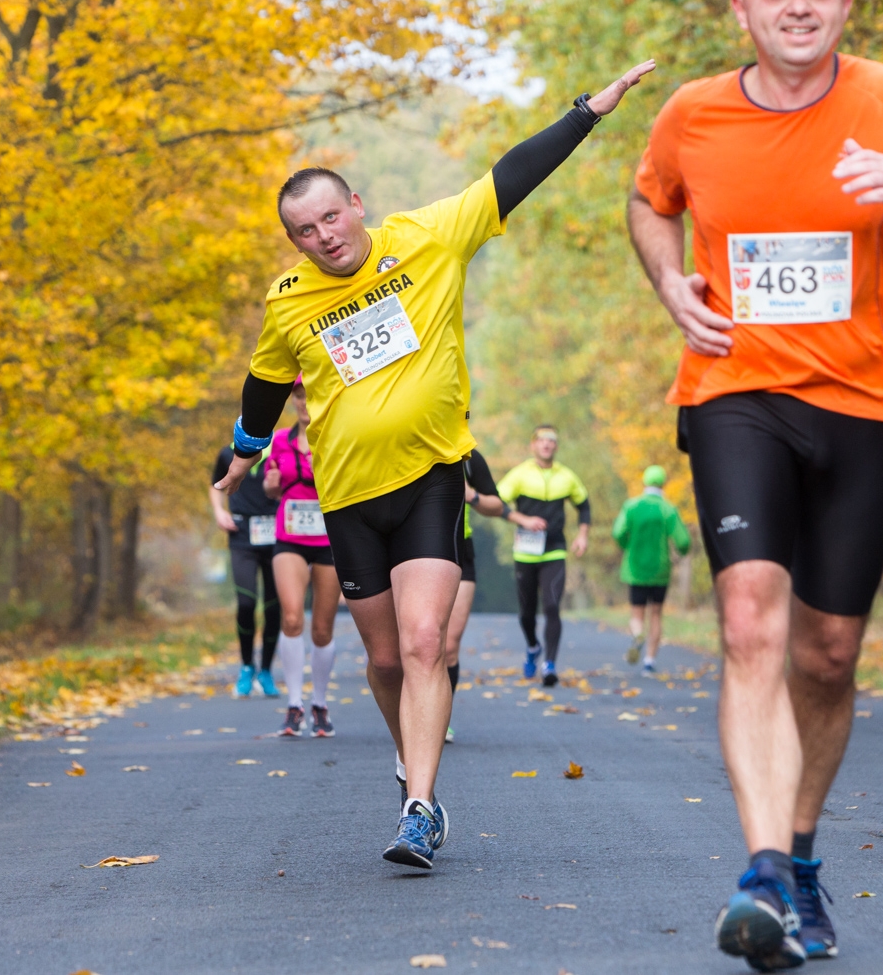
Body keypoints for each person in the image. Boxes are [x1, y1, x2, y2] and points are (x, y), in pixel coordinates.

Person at [626, 0, 883, 970]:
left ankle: (800, 852)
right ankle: (759, 872)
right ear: (739, 7)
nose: (796, 5)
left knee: (827, 657)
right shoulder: (690, 111)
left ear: (843, 4)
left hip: (862, 404)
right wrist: (668, 281)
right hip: (735, 389)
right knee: (750, 621)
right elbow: (649, 204)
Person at [214, 59, 655, 870]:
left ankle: (420, 807)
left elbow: (510, 176)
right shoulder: (290, 300)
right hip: (347, 496)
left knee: (423, 641)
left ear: (356, 205)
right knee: (384, 659)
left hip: (430, 476)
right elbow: (265, 387)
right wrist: (241, 452)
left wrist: (587, 111)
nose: (323, 238)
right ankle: (409, 757)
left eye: (329, 218)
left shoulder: (428, 236)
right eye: (304, 233)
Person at [264, 378, 340, 738]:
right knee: (291, 618)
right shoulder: (280, 440)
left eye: (310, 392)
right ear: (292, 398)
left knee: (322, 628)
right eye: (298, 394)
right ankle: (294, 705)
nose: (304, 400)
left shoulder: (338, 432)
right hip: (290, 535)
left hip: (329, 537)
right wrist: (272, 482)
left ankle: (320, 704)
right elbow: (268, 487)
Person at [497, 426, 591, 688]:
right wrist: (523, 519)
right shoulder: (519, 474)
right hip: (525, 551)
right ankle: (532, 645)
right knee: (527, 613)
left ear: (556, 447)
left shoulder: (567, 476)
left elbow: (584, 506)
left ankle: (549, 664)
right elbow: (497, 504)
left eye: (552, 441)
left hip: (554, 549)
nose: (547, 445)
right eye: (542, 440)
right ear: (533, 445)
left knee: (551, 606)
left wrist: (582, 535)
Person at [442, 448, 507, 743]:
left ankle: (439, 719)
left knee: (449, 646)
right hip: (410, 554)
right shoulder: (407, 441)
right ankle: (409, 716)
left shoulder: (468, 456)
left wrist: (473, 496)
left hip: (459, 551)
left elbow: (498, 505)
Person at [208, 446, 282, 699]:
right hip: (241, 536)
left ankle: (267, 671)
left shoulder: (279, 450)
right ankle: (247, 666)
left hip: (275, 535)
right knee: (246, 602)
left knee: (273, 606)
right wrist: (219, 511)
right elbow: (215, 484)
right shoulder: (228, 454)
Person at [611, 464, 691, 674]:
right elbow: (683, 541)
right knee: (656, 614)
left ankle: (638, 634)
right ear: (663, 483)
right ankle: (649, 660)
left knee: (637, 613)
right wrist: (681, 553)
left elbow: (618, 532)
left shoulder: (631, 506)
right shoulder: (667, 509)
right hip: (660, 569)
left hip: (635, 568)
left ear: (644, 482)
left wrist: (626, 546)